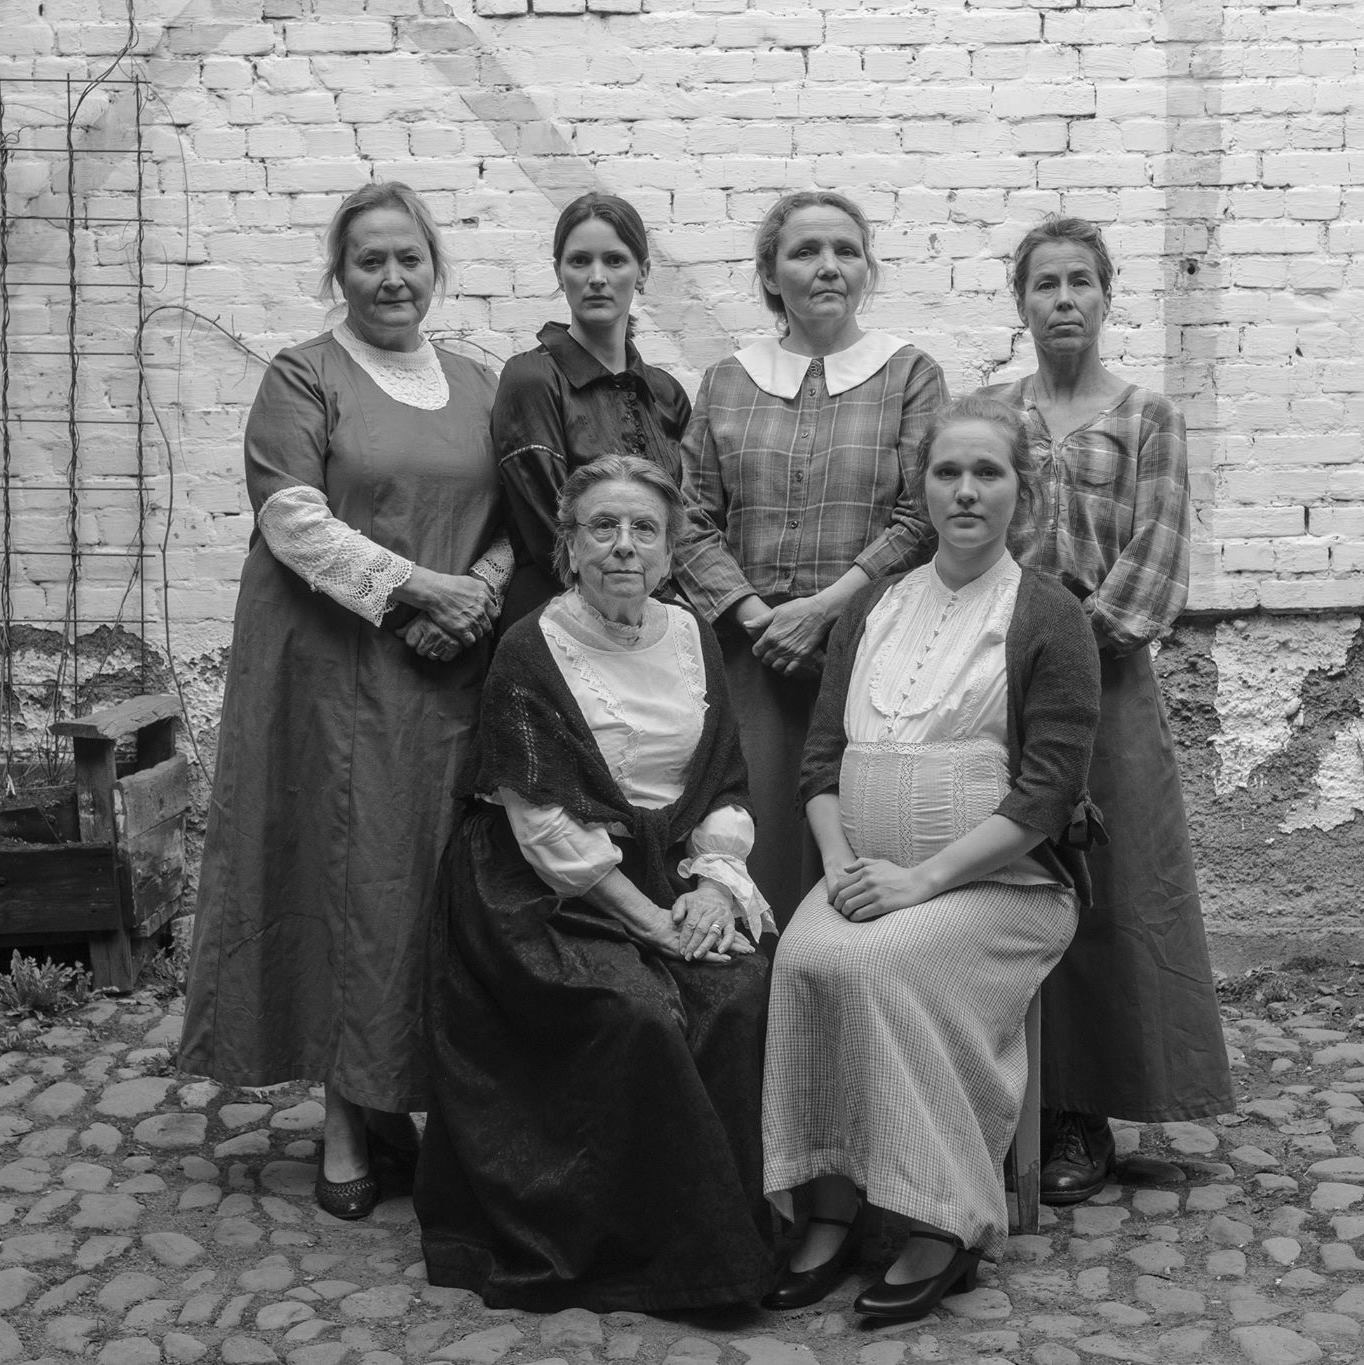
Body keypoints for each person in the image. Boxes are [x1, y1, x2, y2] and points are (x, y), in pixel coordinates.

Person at [180, 182, 512, 1221]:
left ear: (435, 267)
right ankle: (342, 1119)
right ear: (339, 273)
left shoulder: (481, 383)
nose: (391, 278)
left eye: (408, 258)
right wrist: (421, 589)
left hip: (446, 678)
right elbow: (292, 517)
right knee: (346, 882)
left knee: (425, 887)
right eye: (369, 260)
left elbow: (520, 514)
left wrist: (479, 591)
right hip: (331, 676)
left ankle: (411, 1100)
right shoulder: (303, 375)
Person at [761, 396, 1102, 1321]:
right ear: (922, 486)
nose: (966, 490)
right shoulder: (873, 606)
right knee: (803, 958)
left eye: (988, 472)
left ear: (1022, 491)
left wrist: (921, 880)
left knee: (880, 963)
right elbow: (821, 760)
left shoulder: (1047, 615)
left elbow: (1047, 793)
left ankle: (944, 1217)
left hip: (1005, 885)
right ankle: (831, 1204)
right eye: (948, 472)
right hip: (865, 873)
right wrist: (840, 862)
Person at [415, 455, 776, 1313]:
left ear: (670, 549)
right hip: (541, 887)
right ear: (569, 546)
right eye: (602, 527)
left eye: (644, 529)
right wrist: (652, 921)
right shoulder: (530, 647)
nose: (623, 546)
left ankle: (720, 1240)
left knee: (739, 992)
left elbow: (722, 784)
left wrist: (714, 887)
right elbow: (543, 824)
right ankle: (634, 1253)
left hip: (670, 871)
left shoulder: (692, 636)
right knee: (634, 1011)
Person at [982, 215, 1233, 1205]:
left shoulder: (1147, 418)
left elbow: (1155, 562)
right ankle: (1009, 1101)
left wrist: (1068, 653)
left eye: (1079, 281)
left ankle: (1083, 1108)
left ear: (1106, 294)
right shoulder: (991, 417)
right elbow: (967, 543)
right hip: (1001, 687)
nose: (1063, 299)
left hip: (1109, 684)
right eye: (1044, 283)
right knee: (1011, 886)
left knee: (1110, 894)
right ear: (1020, 301)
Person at [673, 189, 948, 922]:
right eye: (805, 251)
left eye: (846, 251)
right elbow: (687, 516)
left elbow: (922, 514)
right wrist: (757, 617)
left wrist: (825, 609)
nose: (829, 266)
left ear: (867, 269)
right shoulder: (727, 380)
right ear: (770, 275)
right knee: (749, 839)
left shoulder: (910, 374)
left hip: (871, 655)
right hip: (751, 660)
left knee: (860, 854)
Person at [493, 192, 692, 626]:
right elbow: (550, 529)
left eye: (615, 261)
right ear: (558, 272)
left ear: (643, 272)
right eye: (580, 261)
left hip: (649, 618)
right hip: (556, 619)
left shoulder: (666, 393)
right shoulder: (532, 378)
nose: (597, 277)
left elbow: (681, 521)